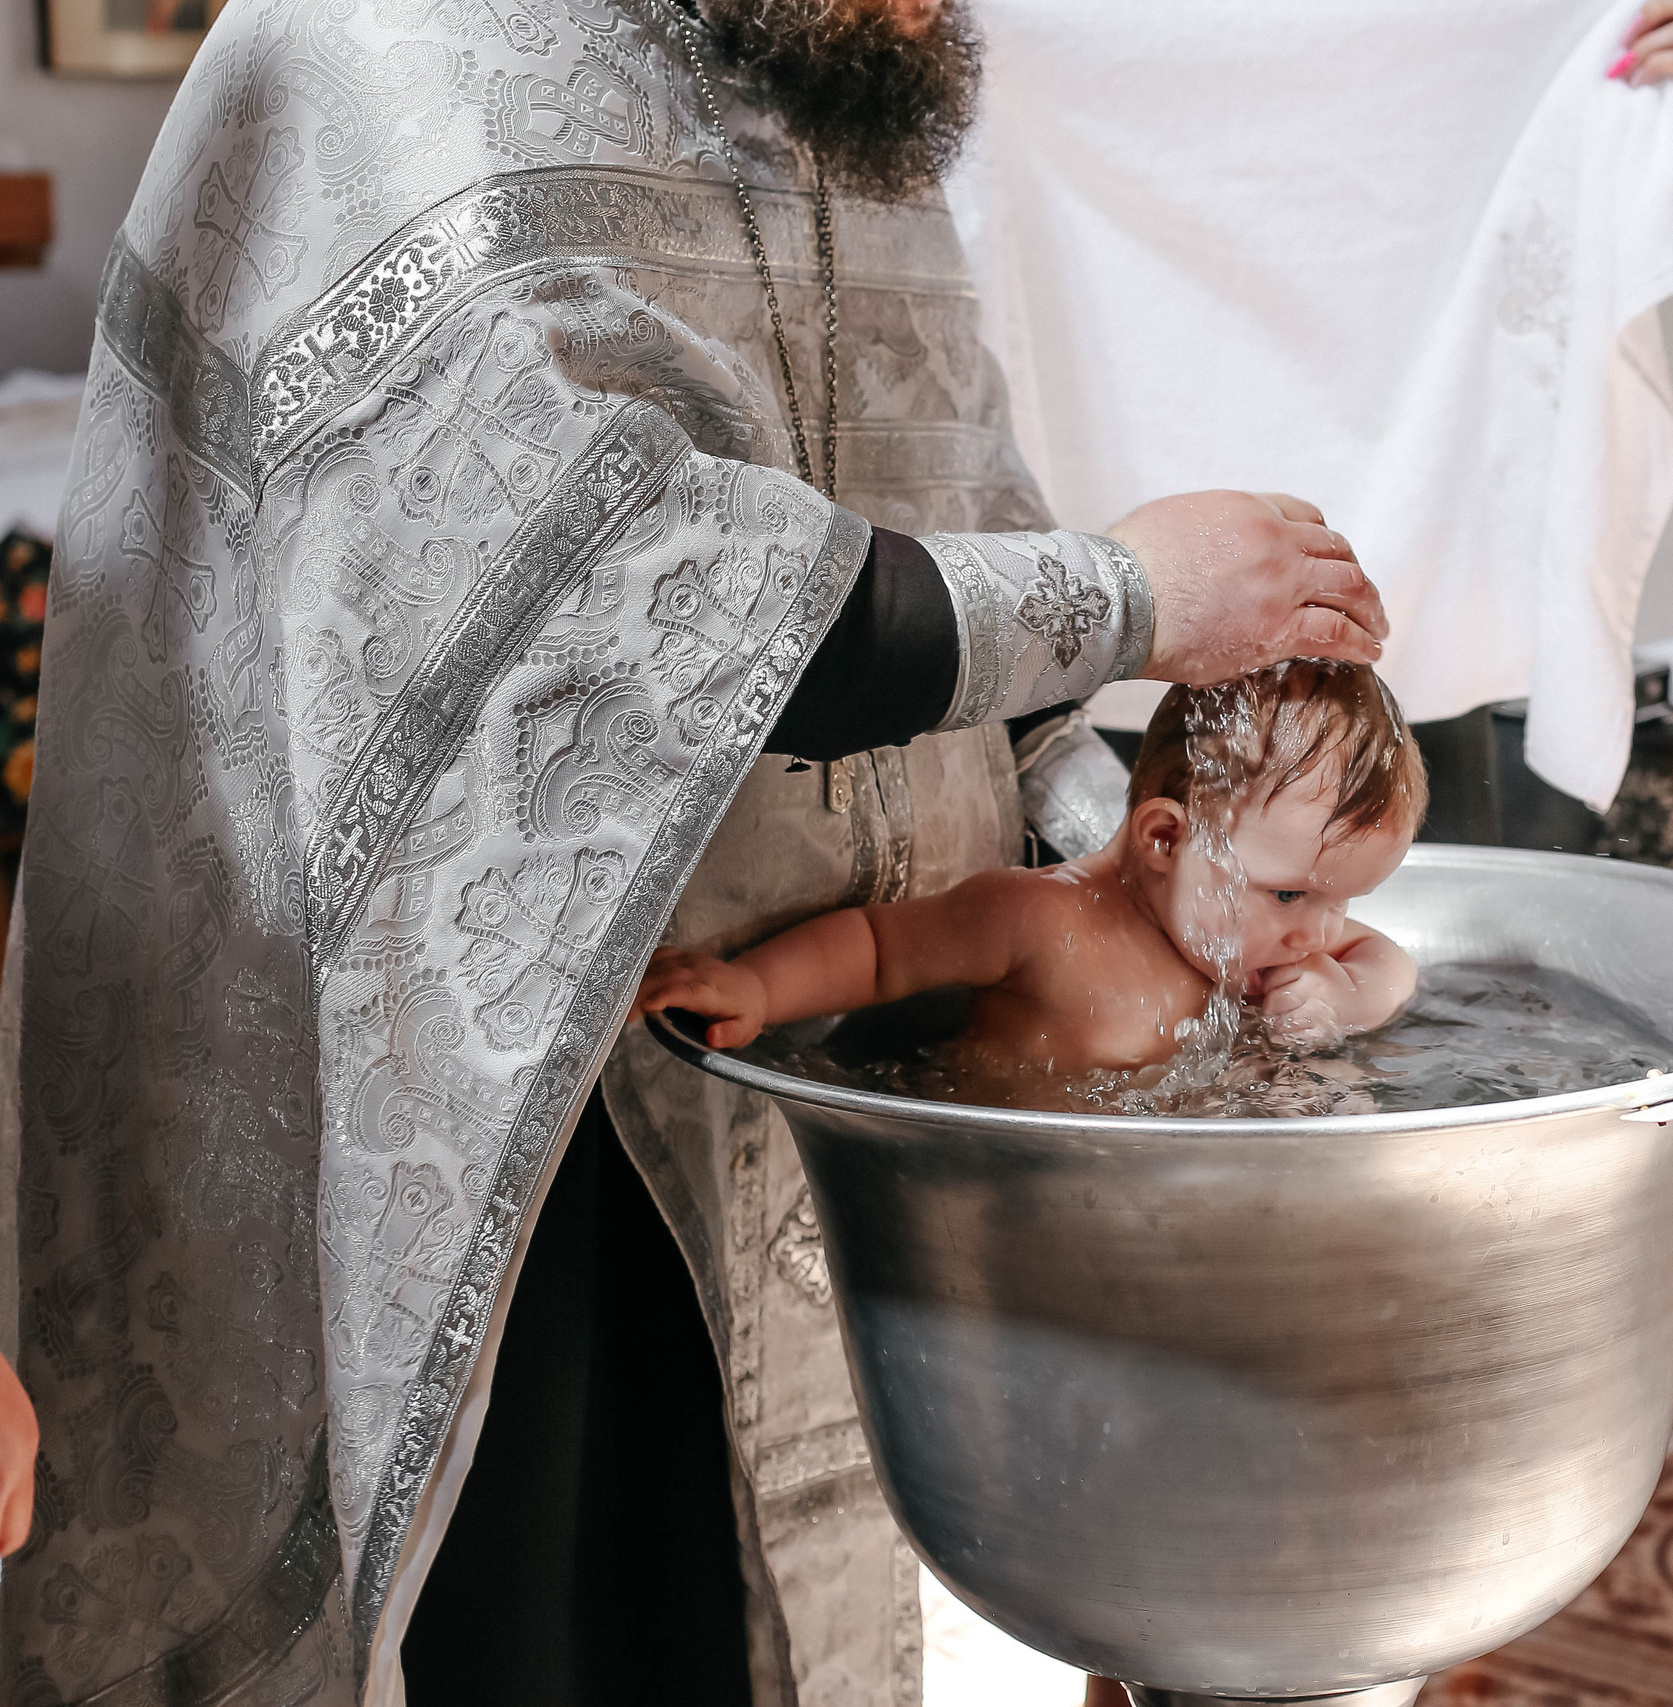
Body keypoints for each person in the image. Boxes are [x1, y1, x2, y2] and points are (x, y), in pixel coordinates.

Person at [0, 0, 1391, 1702]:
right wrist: (1124, 595)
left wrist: (1160, 863)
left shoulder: (838, 103)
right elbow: (601, 598)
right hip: (509, 1116)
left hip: (789, 1092)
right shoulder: (400, 45)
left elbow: (957, 529)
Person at [634, 664, 1428, 1078]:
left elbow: (1391, 963)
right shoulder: (1037, 919)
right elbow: (878, 950)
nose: (1319, 931)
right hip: (1012, 1189)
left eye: (1345, 900)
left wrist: (1345, 999)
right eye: (1291, 892)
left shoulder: (1268, 938)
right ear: (1164, 838)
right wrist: (757, 988)